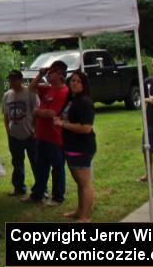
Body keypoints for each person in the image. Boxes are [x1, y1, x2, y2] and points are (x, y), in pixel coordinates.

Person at [22, 59, 69, 205]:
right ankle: (38, 194)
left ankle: (58, 196)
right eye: (49, 71)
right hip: (41, 135)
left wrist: (36, 111)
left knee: (57, 167)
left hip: (55, 136)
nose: (49, 74)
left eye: (52, 71)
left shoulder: (63, 91)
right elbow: (30, 88)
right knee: (40, 166)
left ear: (61, 74)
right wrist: (39, 74)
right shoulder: (47, 88)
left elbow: (52, 113)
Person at [54, 70, 96, 222]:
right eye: (72, 80)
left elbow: (86, 128)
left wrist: (63, 124)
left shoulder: (85, 102)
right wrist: (59, 119)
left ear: (84, 85)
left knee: (85, 183)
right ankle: (79, 210)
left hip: (82, 147)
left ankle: (84, 217)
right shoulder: (72, 99)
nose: (74, 83)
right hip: (70, 146)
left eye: (78, 81)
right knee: (79, 183)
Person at [2, 69, 39, 196]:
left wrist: (35, 130)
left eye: (14, 79)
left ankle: (40, 188)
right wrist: (8, 131)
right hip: (14, 135)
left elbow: (36, 112)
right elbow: (6, 116)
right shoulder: (7, 95)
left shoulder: (30, 93)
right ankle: (19, 188)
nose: (11, 82)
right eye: (10, 80)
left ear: (20, 80)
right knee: (17, 163)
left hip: (30, 134)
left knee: (35, 162)